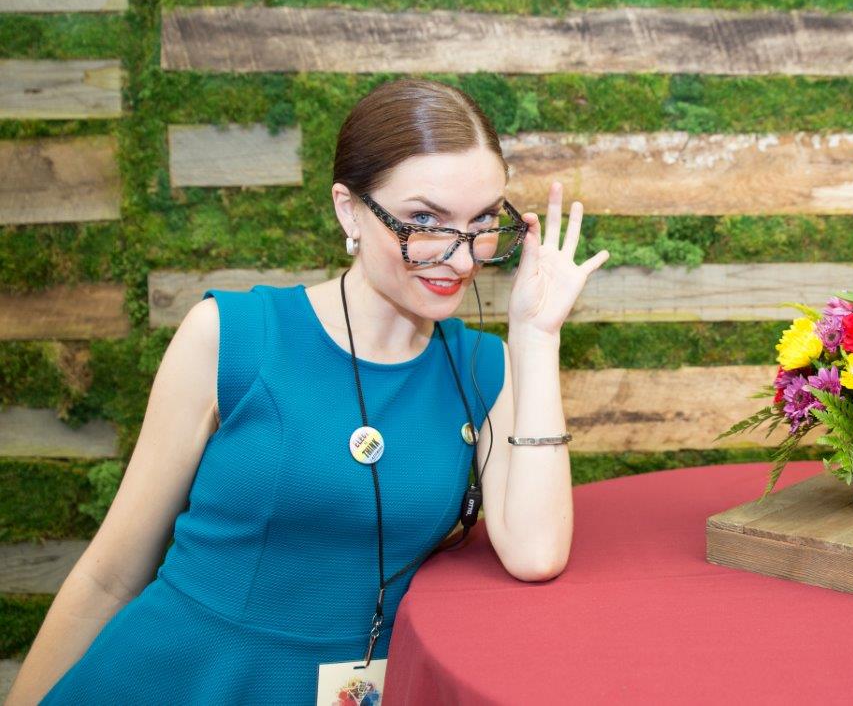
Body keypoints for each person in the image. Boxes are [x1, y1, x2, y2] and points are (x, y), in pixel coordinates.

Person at [7, 78, 610, 704]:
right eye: (424, 221)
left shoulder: (486, 367)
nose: (461, 261)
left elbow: (536, 552)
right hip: (181, 680)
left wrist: (536, 338)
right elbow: (108, 578)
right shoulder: (231, 338)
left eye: (482, 222)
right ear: (348, 210)